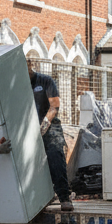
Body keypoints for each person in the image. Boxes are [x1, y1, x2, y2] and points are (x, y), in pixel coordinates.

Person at [29, 66, 74, 212]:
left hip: (49, 125)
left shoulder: (45, 81)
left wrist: (42, 129)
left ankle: (64, 197)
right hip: (28, 128)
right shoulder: (17, 84)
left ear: (29, 65)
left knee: (55, 154)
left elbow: (54, 107)